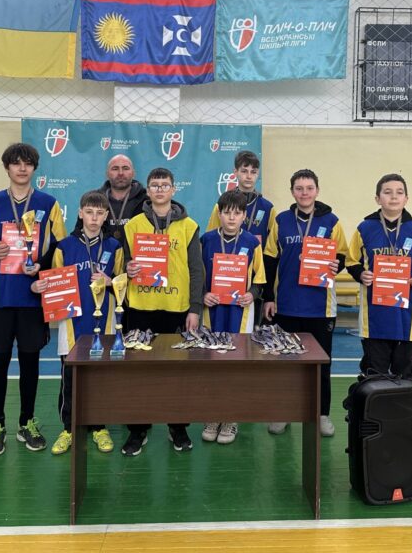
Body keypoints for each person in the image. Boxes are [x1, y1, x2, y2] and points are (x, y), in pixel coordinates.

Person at [0, 143, 67, 457]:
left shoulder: (48, 203)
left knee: (30, 362)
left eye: (27, 163)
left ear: (34, 168)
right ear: (7, 167)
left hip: (32, 296)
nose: (22, 169)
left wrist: (43, 265)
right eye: (16, 163)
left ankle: (27, 421)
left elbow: (60, 245)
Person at [120, 167, 203, 456]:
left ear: (173, 189)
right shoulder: (133, 225)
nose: (159, 189)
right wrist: (128, 268)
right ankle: (138, 428)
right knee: (138, 371)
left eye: (164, 185)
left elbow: (196, 269)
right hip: (140, 307)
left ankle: (177, 426)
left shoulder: (189, 226)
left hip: (176, 308)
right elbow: (124, 262)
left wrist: (195, 308)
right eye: (154, 185)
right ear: (148, 190)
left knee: (176, 371)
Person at [261, 168, 348, 437]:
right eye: (299, 188)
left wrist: (337, 263)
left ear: (317, 191)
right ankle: (284, 412)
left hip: (321, 307)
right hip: (287, 305)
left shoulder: (332, 221)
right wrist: (269, 297)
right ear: (292, 192)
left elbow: (343, 256)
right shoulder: (282, 220)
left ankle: (321, 414)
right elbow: (270, 260)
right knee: (285, 363)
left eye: (309, 188)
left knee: (321, 364)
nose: (304, 193)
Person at [39, 191, 123, 456]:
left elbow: (124, 283)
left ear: (106, 216)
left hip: (104, 321)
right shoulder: (64, 247)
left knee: (100, 377)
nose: (94, 218)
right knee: (69, 377)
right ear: (80, 213)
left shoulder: (114, 246)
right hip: (72, 322)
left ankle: (99, 426)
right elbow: (55, 284)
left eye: (99, 213)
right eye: (89, 212)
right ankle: (69, 427)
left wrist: (111, 281)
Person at [347, 174, 412, 381]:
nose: (394, 197)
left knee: (405, 373)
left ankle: (405, 403)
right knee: (374, 374)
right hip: (374, 315)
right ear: (377, 198)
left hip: (407, 315)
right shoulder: (364, 228)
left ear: (406, 199)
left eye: (399, 192)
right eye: (387, 192)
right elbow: (351, 261)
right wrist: (360, 274)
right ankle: (373, 402)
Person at [199, 188, 266, 445]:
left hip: (240, 311)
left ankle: (231, 417)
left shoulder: (252, 243)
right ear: (219, 214)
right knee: (213, 364)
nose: (231, 218)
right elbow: (197, 275)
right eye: (227, 213)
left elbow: (259, 280)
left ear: (244, 216)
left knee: (236, 363)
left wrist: (251, 294)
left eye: (237, 213)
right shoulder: (206, 240)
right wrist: (204, 294)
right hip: (212, 311)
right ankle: (213, 415)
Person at [207, 150, 277, 247]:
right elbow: (211, 238)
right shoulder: (222, 205)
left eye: (253, 172)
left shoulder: (268, 208)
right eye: (244, 171)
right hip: (228, 255)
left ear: (258, 174)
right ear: (235, 172)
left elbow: (272, 246)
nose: (249, 176)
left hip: (256, 256)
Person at [81, 154, 147, 245]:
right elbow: (79, 233)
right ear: (107, 174)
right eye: (115, 169)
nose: (120, 173)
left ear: (133, 173)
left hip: (135, 253)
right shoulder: (94, 199)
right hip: (101, 253)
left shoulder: (146, 200)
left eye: (125, 168)